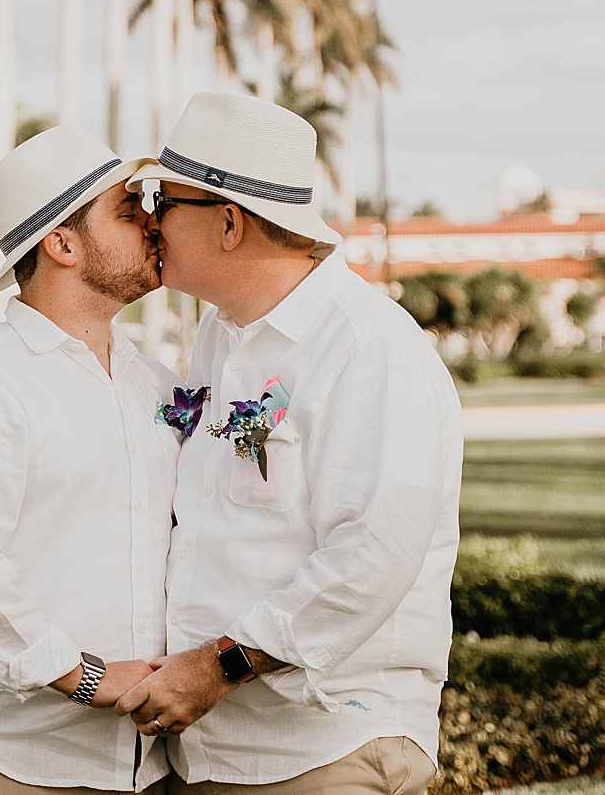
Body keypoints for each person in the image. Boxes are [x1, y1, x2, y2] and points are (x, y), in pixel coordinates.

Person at [115, 92, 463, 795]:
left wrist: (220, 667)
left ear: (229, 222)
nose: (148, 221)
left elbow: (372, 555)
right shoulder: (220, 336)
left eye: (162, 200)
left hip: (326, 746)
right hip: (215, 752)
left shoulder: (368, 347)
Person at [0, 122, 181, 794]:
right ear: (62, 243)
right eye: (127, 211)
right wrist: (84, 676)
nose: (154, 223)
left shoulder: (156, 383)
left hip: (148, 765)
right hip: (15, 762)